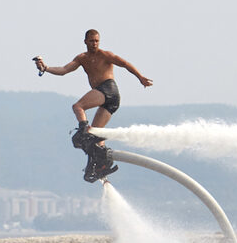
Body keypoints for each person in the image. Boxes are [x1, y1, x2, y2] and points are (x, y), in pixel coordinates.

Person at [33, 29, 152, 181]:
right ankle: (102, 165)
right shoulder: (82, 58)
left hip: (108, 89)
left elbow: (125, 64)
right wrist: (46, 68)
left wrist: (140, 77)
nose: (94, 44)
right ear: (85, 42)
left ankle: (84, 130)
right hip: (108, 99)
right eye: (91, 41)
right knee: (96, 136)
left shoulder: (105, 55)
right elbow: (64, 70)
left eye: (96, 41)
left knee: (78, 107)